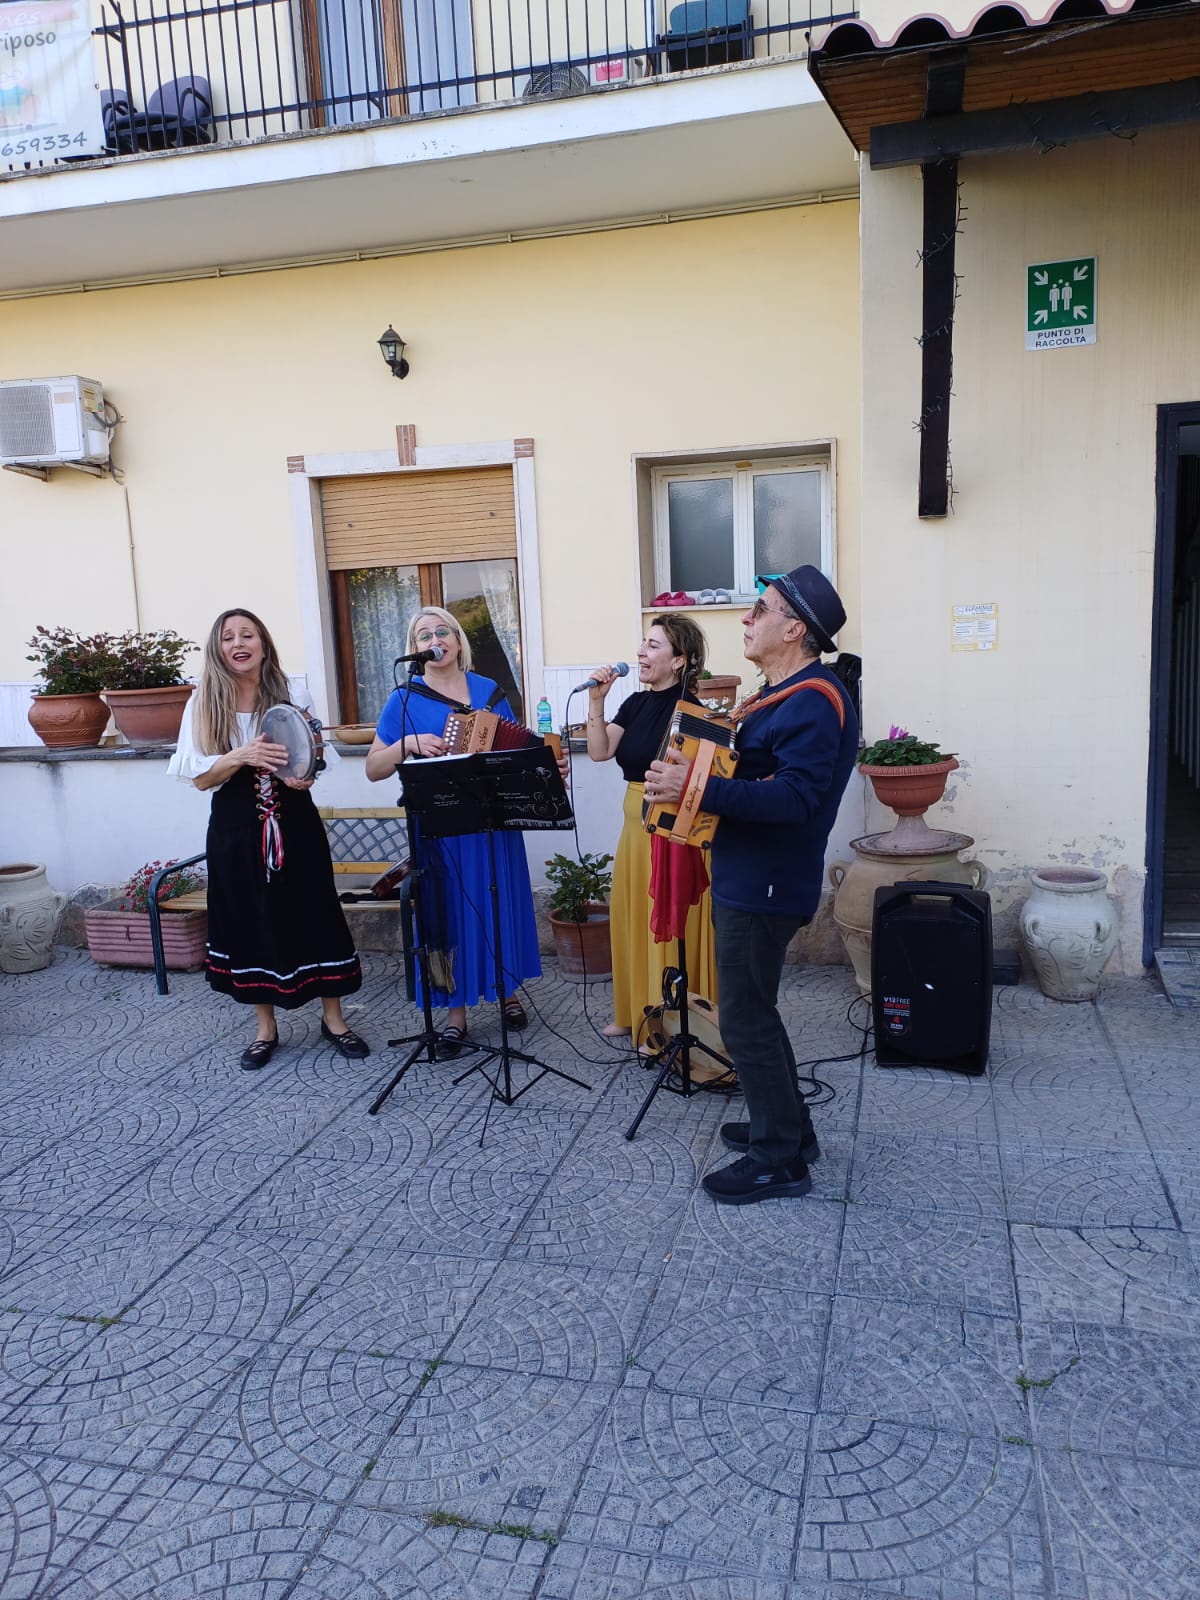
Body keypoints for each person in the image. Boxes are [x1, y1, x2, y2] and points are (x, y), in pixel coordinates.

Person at [646, 565, 859, 1204]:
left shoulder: (811, 700)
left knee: (744, 1020)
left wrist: (695, 787)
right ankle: (791, 1129)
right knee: (754, 1012)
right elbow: (755, 772)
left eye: (761, 609)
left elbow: (795, 799)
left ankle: (777, 1161)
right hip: (752, 874)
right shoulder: (786, 693)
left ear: (794, 630)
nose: (747, 617)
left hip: (767, 883)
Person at [168, 608, 368, 1070]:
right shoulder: (203, 702)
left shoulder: (292, 693)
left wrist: (305, 776)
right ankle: (265, 1028)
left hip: (294, 820)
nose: (238, 643)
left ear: (263, 643)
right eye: (228, 637)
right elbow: (200, 780)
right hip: (236, 828)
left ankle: (334, 1020)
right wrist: (241, 755)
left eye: (248, 634)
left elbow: (314, 759)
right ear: (217, 648)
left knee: (315, 912)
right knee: (249, 919)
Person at [365, 606, 544, 1057]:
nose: (435, 640)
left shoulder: (488, 690)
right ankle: (454, 1015)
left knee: (497, 903)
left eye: (442, 631)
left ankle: (507, 993)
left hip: (491, 824)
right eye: (424, 635)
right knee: (444, 916)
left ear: (459, 641)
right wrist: (406, 744)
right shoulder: (403, 699)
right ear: (415, 649)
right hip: (439, 830)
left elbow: (517, 749)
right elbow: (373, 768)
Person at [584, 614, 717, 1047]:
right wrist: (597, 702)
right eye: (643, 643)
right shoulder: (635, 704)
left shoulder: (692, 712)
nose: (641, 652)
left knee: (666, 927)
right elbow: (600, 751)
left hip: (671, 831)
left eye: (653, 645)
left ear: (679, 660)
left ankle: (666, 1023)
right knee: (634, 922)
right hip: (634, 831)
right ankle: (631, 1012)